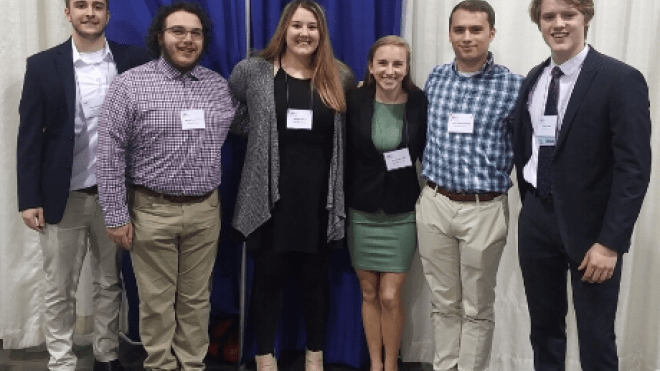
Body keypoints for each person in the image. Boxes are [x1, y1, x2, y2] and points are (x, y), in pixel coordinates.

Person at [512, 0, 652, 369]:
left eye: (568, 15)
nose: (558, 24)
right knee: (544, 330)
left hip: (593, 231)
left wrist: (610, 243)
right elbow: (527, 147)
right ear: (538, 24)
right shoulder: (535, 79)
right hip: (537, 218)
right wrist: (532, 207)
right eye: (548, 17)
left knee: (595, 335)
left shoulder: (620, 79)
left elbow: (633, 169)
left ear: (585, 18)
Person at [96, 2, 236, 370]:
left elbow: (244, 126)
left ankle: (192, 364)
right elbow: (109, 154)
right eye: (178, 31)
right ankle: (159, 365)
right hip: (151, 211)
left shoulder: (218, 87)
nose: (187, 40)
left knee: (196, 300)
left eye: (195, 33)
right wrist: (115, 215)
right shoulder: (130, 85)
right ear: (161, 36)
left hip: (206, 211)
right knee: (156, 303)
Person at [16, 0, 150, 369]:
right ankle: (61, 360)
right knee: (60, 288)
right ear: (67, 12)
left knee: (110, 283)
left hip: (116, 198)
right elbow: (29, 137)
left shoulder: (134, 60)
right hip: (64, 196)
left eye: (98, 6)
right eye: (81, 5)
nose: (89, 12)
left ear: (108, 14)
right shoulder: (43, 65)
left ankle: (106, 355)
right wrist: (28, 198)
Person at [228, 1, 354, 370]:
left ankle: (315, 356)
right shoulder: (253, 71)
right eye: (297, 25)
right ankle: (265, 356)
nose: (304, 33)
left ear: (322, 33)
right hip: (269, 197)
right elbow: (233, 113)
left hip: (319, 199)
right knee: (268, 279)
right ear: (284, 29)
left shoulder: (339, 76)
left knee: (316, 281)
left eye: (312, 27)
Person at [416, 1, 523, 370]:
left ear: (491, 33)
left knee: (477, 307)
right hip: (434, 203)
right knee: (443, 303)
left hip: (485, 208)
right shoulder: (436, 79)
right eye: (459, 30)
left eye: (476, 30)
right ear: (450, 34)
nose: (467, 37)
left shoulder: (513, 86)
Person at [345, 35, 427, 371]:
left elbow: (421, 151)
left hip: (401, 210)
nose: (390, 70)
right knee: (368, 292)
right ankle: (375, 364)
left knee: (391, 295)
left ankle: (391, 365)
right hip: (362, 210)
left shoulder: (420, 102)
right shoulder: (355, 100)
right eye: (383, 63)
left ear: (406, 67)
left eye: (397, 64)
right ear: (370, 66)